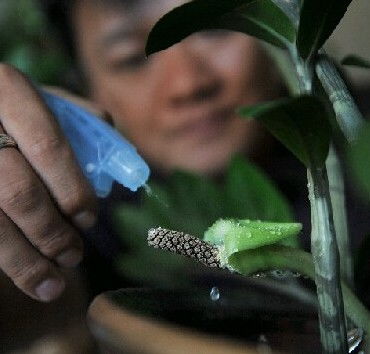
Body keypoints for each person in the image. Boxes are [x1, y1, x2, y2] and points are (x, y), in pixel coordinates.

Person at [0, 0, 286, 305]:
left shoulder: (340, 160)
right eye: (133, 59)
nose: (187, 84)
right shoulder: (93, 225)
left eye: (215, 30)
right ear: (86, 90)